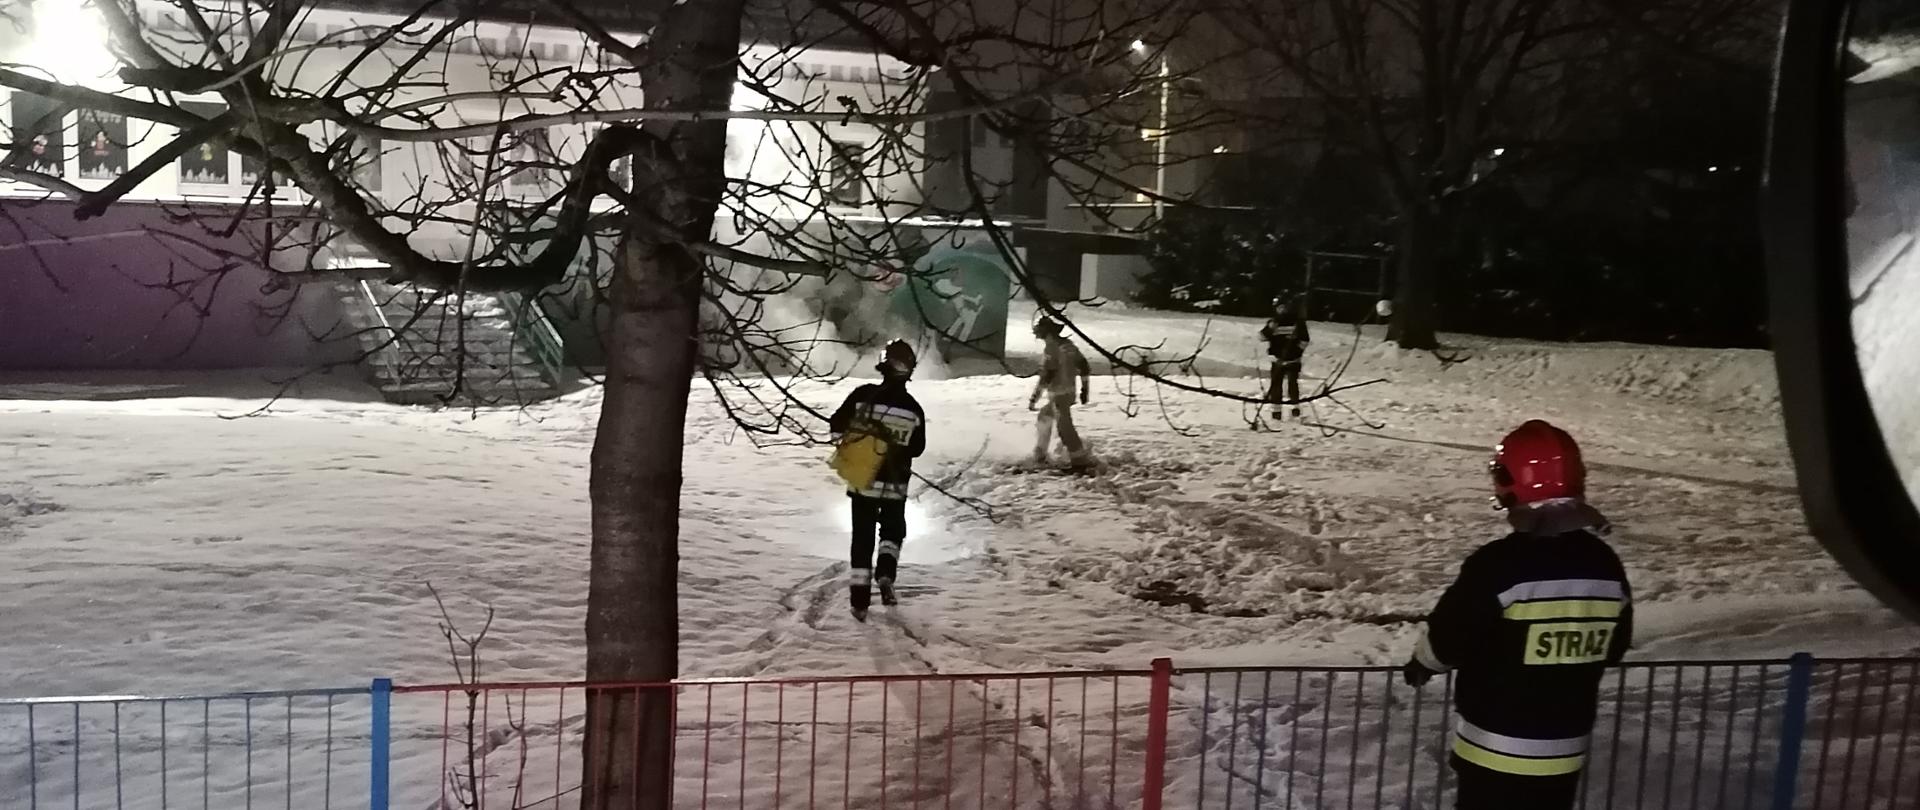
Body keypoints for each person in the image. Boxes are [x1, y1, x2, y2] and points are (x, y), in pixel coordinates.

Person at [1401, 420, 1632, 810]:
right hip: (1564, 752)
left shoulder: (1499, 564)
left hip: (1492, 749)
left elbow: (1447, 638)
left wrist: (1422, 663)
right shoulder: (1606, 565)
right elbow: (1614, 648)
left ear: (1514, 482)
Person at [828, 339, 928, 621]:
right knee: (893, 533)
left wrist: (845, 447)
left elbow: (837, 422)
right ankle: (886, 574)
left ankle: (859, 603)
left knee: (862, 539)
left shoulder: (862, 396)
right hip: (895, 485)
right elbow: (918, 449)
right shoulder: (913, 409)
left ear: (882, 366)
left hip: (863, 482)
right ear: (909, 371)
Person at [1029, 316, 1095, 469]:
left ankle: (1079, 460)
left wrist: (1035, 397)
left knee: (1065, 427)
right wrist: (1085, 389)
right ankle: (1040, 453)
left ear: (1046, 333)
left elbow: (1048, 375)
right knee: (1044, 416)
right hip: (1068, 392)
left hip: (1059, 393)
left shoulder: (1051, 347)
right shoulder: (1069, 345)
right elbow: (1084, 365)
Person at [1260, 294, 1311, 420]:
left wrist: (1296, 353)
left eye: (1283, 307)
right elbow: (1261, 337)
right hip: (1277, 360)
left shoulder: (1297, 322)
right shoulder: (1273, 323)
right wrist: (1269, 329)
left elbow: (1304, 340)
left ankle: (1295, 408)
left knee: (1292, 384)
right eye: (1279, 308)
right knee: (1276, 386)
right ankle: (1276, 411)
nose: (1281, 310)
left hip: (1293, 360)